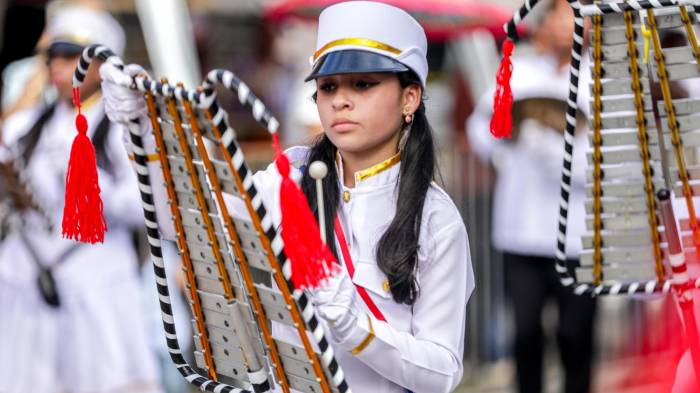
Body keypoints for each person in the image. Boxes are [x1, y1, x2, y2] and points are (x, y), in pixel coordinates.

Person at [100, 1, 475, 392]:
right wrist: (147, 135)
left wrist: (355, 327)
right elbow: (191, 225)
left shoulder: (435, 219)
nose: (340, 100)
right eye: (328, 86)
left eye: (363, 84)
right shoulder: (288, 180)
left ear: (409, 98)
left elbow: (442, 374)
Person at [0, 5, 162, 393]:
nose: (59, 67)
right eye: (53, 56)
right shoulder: (26, 125)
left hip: (97, 287)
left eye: (72, 56)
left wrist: (91, 188)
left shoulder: (127, 127)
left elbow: (152, 207)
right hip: (27, 282)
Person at [466, 1, 596, 393]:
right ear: (542, 27)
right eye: (560, 19)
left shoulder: (601, 79)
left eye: (578, 21)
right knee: (524, 333)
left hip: (579, 234)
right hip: (520, 228)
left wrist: (563, 158)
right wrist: (506, 146)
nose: (568, 29)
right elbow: (480, 126)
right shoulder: (517, 71)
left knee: (576, 335)